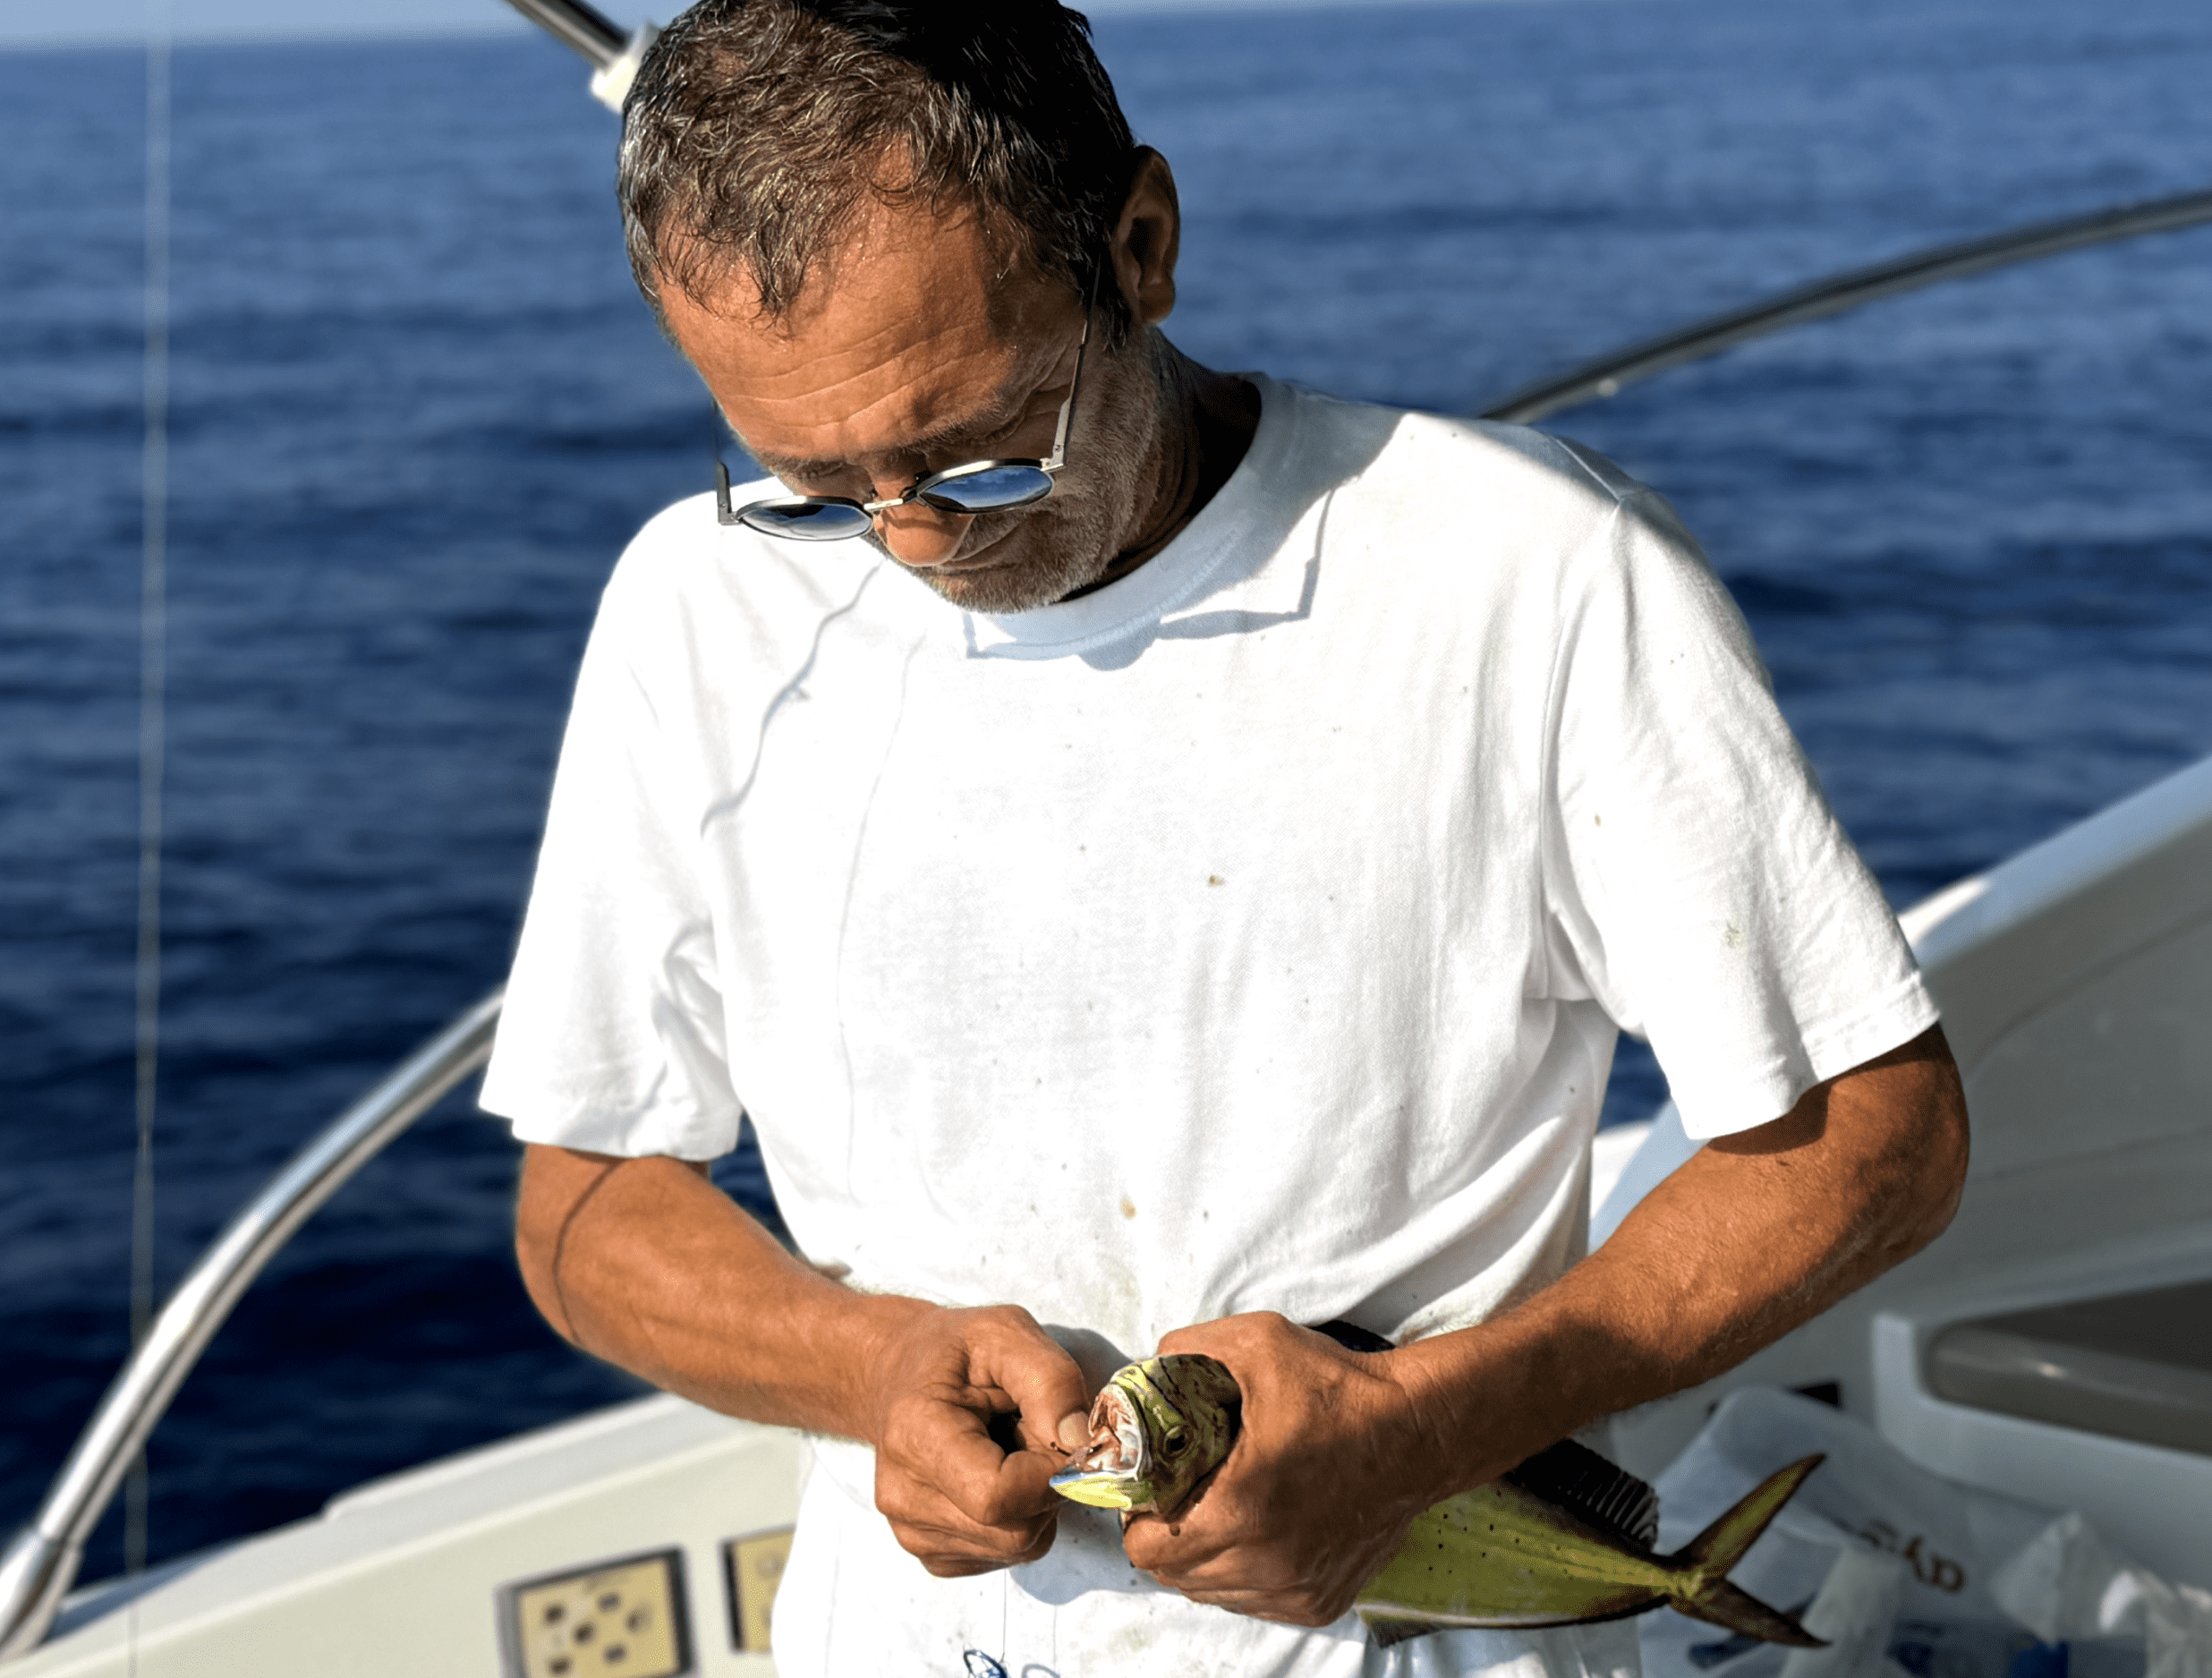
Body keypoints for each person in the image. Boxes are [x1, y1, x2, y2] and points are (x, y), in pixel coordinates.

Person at [480, 1, 1969, 1672]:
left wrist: (1422, 1421)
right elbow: (585, 1196)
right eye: (815, 480)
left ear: (1143, 242)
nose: (910, 541)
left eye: (983, 449)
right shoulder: (701, 606)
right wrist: (873, 1370)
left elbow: (1877, 1135)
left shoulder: (1531, 572)